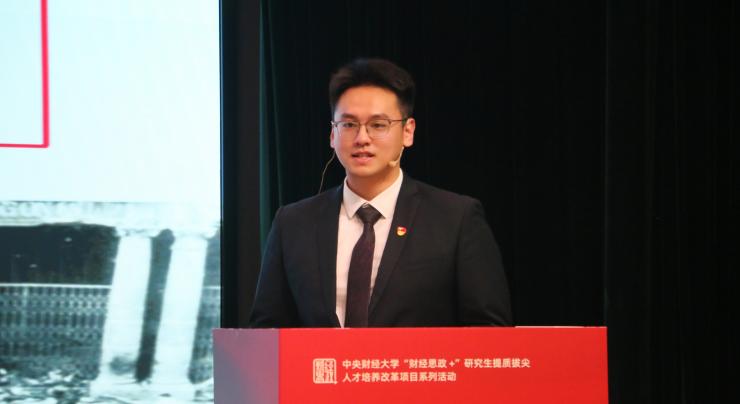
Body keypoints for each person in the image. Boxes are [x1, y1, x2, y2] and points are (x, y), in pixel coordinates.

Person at [249, 58, 512, 327]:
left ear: (407, 131)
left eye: (378, 125)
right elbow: (265, 331)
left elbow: (490, 332)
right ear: (332, 134)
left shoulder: (455, 219)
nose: (362, 138)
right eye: (348, 124)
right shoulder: (292, 224)